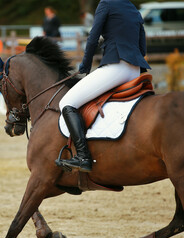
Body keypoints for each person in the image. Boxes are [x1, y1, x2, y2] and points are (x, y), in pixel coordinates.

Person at [58, 0, 151, 172]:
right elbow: (142, 48)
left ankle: (83, 157)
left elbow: (92, 38)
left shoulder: (106, 4)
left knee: (67, 103)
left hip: (116, 67)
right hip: (135, 70)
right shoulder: (132, 8)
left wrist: (85, 66)